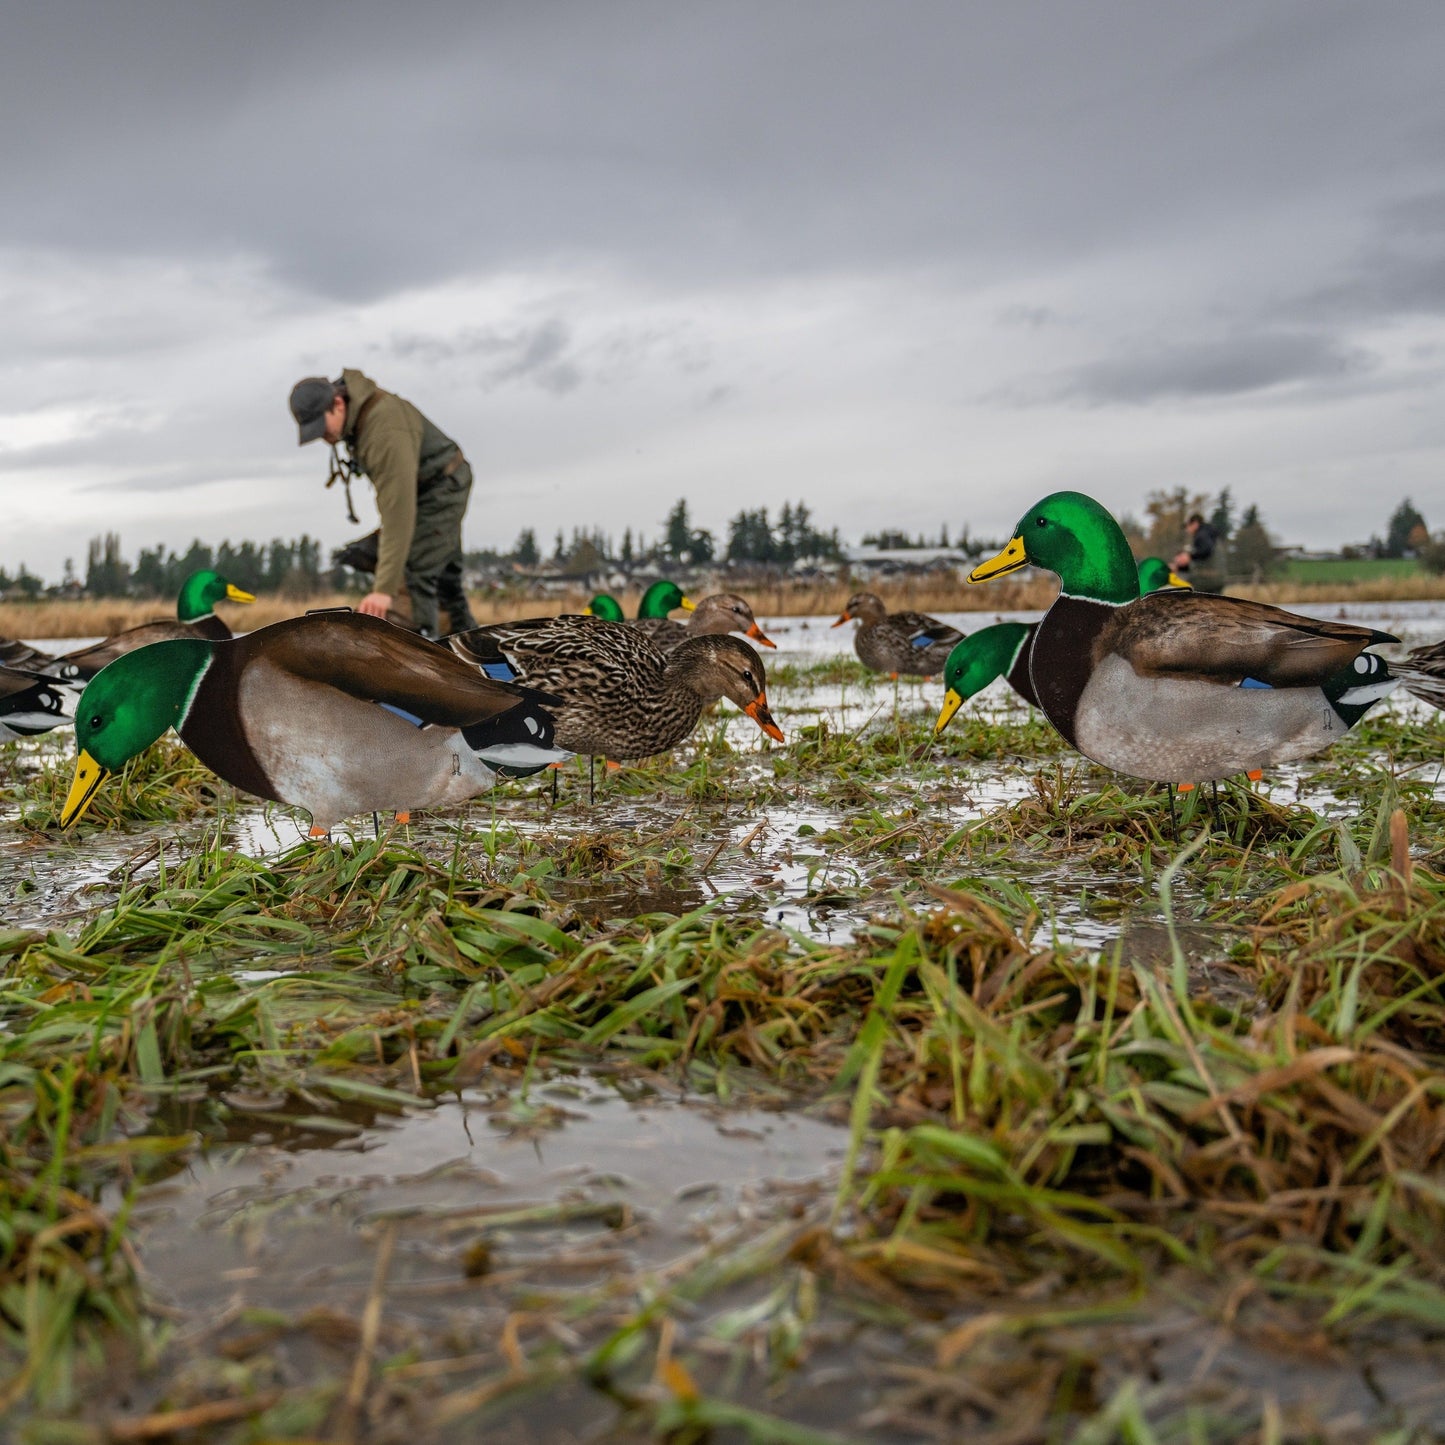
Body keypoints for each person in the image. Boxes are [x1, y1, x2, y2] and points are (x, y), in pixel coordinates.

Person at [289, 370, 477, 636]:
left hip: (440, 490)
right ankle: (481, 662)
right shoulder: (359, 419)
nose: (323, 437)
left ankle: (420, 655)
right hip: (428, 490)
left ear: (339, 404)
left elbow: (398, 513)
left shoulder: (384, 430)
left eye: (322, 426)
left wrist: (383, 591)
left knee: (414, 577)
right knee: (446, 583)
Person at [1172, 513, 1223, 592]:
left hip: (1207, 581)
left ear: (1195, 523)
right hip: (1218, 579)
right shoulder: (1210, 533)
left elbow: (1206, 550)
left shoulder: (1201, 534)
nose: (1187, 530)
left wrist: (1190, 556)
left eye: (1188, 526)